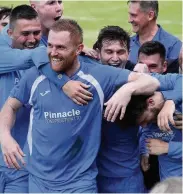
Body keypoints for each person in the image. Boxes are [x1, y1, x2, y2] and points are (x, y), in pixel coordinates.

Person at [0, 18, 170, 193]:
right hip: (39, 182)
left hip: (80, 184)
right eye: (50, 46)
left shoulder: (99, 76)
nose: (52, 52)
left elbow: (150, 81)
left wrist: (126, 91)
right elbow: (10, 106)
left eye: (61, 47)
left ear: (79, 49)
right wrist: (5, 136)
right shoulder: (34, 76)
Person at [93, 26, 144, 193]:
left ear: (129, 53)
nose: (115, 58)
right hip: (92, 178)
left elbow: (176, 84)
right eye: (109, 51)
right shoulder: (85, 79)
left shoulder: (141, 83)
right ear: (98, 52)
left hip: (126, 179)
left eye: (120, 52)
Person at [120, 80, 182, 181]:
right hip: (169, 184)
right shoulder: (151, 120)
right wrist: (144, 152)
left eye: (144, 120)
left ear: (151, 102)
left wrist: (168, 148)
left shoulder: (179, 106)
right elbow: (147, 132)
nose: (144, 126)